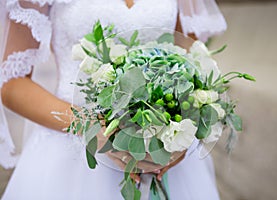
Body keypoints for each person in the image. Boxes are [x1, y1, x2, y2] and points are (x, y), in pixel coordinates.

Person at [0, 0, 227, 199]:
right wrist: (89, 125)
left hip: (158, 149)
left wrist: (179, 138)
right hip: (72, 152)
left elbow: (190, 60)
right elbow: (12, 84)